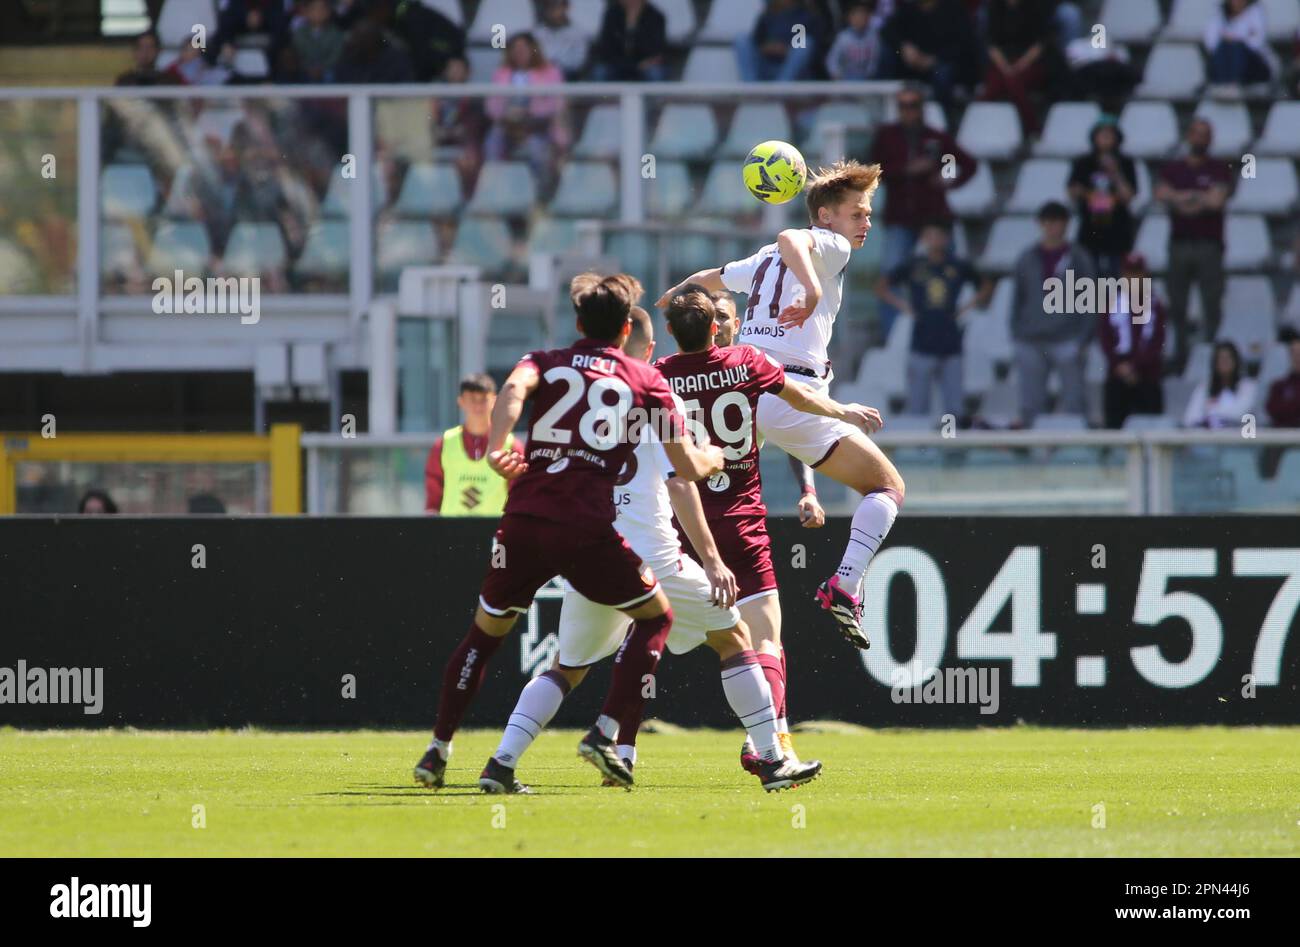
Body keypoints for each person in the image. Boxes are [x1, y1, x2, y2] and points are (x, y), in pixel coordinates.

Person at [478, 306, 823, 794]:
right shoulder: (655, 394)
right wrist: (712, 558)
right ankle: (771, 759)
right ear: (645, 347)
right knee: (734, 638)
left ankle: (501, 764)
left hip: (591, 553)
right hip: (653, 557)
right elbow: (682, 483)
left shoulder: (579, 401)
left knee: (567, 668)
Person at [412, 273, 724, 791]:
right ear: (627, 330)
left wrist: (497, 444)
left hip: (524, 520)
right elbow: (687, 468)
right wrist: (712, 456)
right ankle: (606, 733)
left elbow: (512, 388)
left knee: (482, 639)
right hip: (586, 528)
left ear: (578, 323)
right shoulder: (645, 381)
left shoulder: (545, 360)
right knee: (655, 618)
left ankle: (438, 750)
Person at [657, 160, 900, 650]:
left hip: (749, 390)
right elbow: (794, 236)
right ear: (827, 217)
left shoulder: (762, 258)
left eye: (869, 214)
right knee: (887, 488)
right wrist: (811, 291)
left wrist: (671, 303)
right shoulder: (826, 246)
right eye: (857, 214)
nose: (866, 224)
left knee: (699, 480)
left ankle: (671, 571)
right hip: (788, 390)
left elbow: (703, 281)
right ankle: (845, 586)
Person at [652, 286, 878, 770]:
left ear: (670, 331)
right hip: (740, 522)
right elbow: (799, 404)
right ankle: (771, 743)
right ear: (716, 324)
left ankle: (615, 742)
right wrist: (843, 411)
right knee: (765, 641)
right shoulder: (749, 363)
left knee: (639, 632)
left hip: (681, 522)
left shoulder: (656, 378)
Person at [867, 86, 976, 341]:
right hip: (901, 217)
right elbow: (873, 170)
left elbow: (968, 164)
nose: (908, 111)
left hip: (933, 217)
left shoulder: (935, 137)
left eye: (913, 104)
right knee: (892, 275)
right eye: (903, 105)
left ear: (921, 107)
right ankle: (892, 336)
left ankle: (953, 324)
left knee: (952, 271)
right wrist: (907, 170)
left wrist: (949, 181)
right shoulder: (887, 136)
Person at [876, 219, 992, 420]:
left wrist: (966, 307)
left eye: (939, 235)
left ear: (947, 239)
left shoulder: (957, 265)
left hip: (951, 341)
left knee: (954, 407)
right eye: (930, 235)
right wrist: (904, 306)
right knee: (918, 406)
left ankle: (952, 447)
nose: (935, 240)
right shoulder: (913, 265)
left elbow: (986, 285)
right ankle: (921, 448)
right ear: (923, 238)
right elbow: (881, 286)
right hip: (922, 340)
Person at [1154, 118, 1233, 371]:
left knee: (1211, 301)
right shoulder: (1174, 168)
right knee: (1177, 302)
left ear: (1210, 139)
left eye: (1205, 134)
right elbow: (1161, 195)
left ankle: (1212, 353)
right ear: (1188, 136)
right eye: (1196, 133)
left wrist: (1182, 198)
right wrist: (1196, 198)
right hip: (1179, 244)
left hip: (1209, 245)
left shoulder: (1219, 168)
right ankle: (1180, 355)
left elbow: (1216, 202)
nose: (1200, 139)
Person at [1009, 201, 1097, 425]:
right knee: (1030, 402)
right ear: (1040, 224)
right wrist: (1017, 332)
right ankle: (1029, 450)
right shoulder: (1027, 257)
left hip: (1067, 338)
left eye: (1057, 222)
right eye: (1047, 222)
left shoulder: (1079, 258)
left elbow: (1089, 300)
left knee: (1074, 400)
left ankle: (1076, 451)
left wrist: (1083, 337)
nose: (1052, 228)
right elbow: (1018, 298)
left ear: (1066, 225)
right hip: (1030, 339)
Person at [425, 374, 522, 516]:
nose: (478, 406)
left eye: (483, 399)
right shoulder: (443, 445)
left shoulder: (511, 445)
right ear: (461, 401)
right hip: (450, 533)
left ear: (494, 400)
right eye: (472, 399)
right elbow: (433, 495)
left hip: (495, 532)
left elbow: (519, 495)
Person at [484, 33, 569, 194]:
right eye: (515, 48)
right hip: (509, 126)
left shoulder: (550, 72)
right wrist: (506, 112)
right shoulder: (502, 73)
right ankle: (496, 192)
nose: (519, 52)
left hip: (538, 127)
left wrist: (529, 112)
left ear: (533, 49)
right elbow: (491, 107)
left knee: (536, 149)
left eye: (523, 48)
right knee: (492, 142)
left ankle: (540, 194)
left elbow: (557, 104)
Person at [1099, 253, 1166, 429]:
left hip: (1147, 376)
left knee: (1152, 426)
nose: (1133, 279)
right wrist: (1119, 366)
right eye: (1130, 274)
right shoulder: (1111, 304)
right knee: (1113, 427)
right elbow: (1105, 339)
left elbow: (1157, 342)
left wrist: (1135, 366)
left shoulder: (1156, 305)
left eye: (1137, 274)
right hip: (1118, 374)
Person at [1068, 118, 1138, 278]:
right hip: (1090, 229)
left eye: (1109, 134)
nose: (1106, 138)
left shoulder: (1126, 163)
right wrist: (1090, 196)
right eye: (1102, 134)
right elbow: (1072, 190)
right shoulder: (1084, 162)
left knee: (1117, 279)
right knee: (1088, 279)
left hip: (1118, 230)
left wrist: (1115, 173)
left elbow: (1129, 195)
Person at [877, 0, 979, 104]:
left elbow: (964, 45)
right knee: (888, 52)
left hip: (941, 64)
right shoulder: (909, 8)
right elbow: (886, 31)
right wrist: (903, 47)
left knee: (943, 73)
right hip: (913, 63)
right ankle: (883, 103)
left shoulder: (953, 8)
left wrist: (934, 60)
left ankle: (944, 114)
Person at [980, 0, 1052, 135]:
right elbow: (991, 44)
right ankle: (987, 129)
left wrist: (1020, 65)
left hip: (1030, 63)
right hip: (1001, 63)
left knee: (1013, 83)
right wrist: (1005, 67)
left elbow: (1040, 44)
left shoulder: (1035, 8)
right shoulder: (994, 9)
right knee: (992, 89)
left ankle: (1031, 129)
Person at [735, 0, 820, 82]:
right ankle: (751, 89)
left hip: (791, 71)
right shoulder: (768, 16)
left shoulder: (806, 16)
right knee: (741, 39)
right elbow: (756, 44)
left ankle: (781, 89)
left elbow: (810, 52)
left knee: (805, 43)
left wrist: (785, 50)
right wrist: (769, 48)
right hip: (767, 65)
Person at [1183, 341, 1256, 428]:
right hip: (1208, 437)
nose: (1224, 362)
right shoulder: (1205, 386)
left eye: (1228, 358)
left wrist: (1212, 415)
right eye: (1220, 358)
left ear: (1236, 361)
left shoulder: (1248, 386)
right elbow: (1190, 417)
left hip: (1238, 436)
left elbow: (1240, 413)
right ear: (1215, 363)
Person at [592, 0, 668, 81]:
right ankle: (603, 94)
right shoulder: (612, 14)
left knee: (655, 73)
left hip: (644, 65)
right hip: (617, 63)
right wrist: (631, 65)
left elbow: (656, 49)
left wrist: (633, 26)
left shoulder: (656, 17)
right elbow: (606, 47)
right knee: (600, 72)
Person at [1205, 0, 1272, 86]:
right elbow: (1211, 42)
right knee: (1224, 47)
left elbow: (1257, 42)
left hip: (1253, 64)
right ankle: (1223, 85)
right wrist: (1233, 40)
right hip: (1225, 57)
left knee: (1237, 48)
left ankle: (1233, 84)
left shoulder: (1256, 12)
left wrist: (1235, 39)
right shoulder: (1220, 13)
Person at [826, 0, 886, 80]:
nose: (859, 19)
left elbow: (874, 63)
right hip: (844, 78)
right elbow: (831, 61)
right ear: (850, 18)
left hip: (866, 80)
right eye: (856, 16)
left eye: (863, 16)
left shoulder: (874, 37)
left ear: (868, 17)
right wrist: (837, 75)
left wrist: (868, 77)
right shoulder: (843, 37)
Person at [534, 0, 590, 81]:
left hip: (568, 73)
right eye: (549, 6)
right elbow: (534, 55)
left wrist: (557, 65)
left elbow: (579, 60)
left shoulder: (578, 33)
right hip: (542, 73)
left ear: (565, 7)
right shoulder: (537, 33)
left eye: (556, 6)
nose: (553, 10)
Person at [291, 0, 345, 83]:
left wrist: (322, 68)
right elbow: (297, 53)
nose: (318, 12)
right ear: (306, 12)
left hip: (328, 70)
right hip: (304, 70)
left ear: (328, 12)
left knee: (330, 75)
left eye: (322, 9)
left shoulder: (335, 33)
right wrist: (308, 68)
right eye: (314, 9)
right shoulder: (300, 32)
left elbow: (336, 55)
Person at [115, 30, 180, 86]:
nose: (145, 52)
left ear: (158, 51)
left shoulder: (169, 81)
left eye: (150, 47)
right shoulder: (125, 81)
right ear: (135, 52)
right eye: (141, 47)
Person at [1265, 332, 1300, 427]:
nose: (1298, 358)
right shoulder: (1278, 386)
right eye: (1295, 353)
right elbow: (1273, 410)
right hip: (1283, 436)